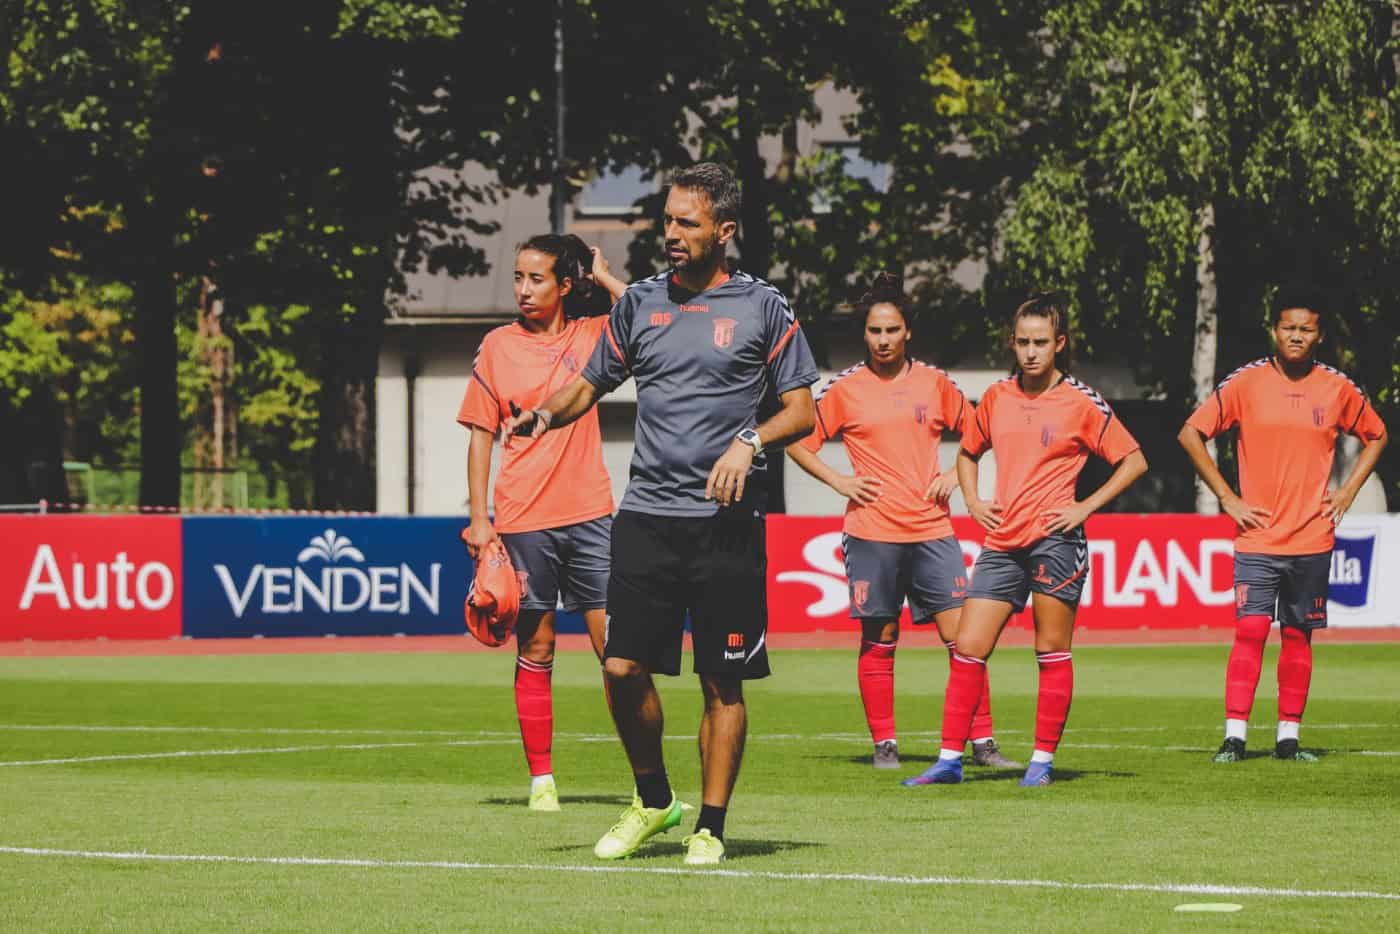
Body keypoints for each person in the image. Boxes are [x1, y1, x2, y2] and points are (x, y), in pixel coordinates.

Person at [504, 162, 818, 865]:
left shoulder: (763, 307)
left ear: (724, 230)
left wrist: (749, 441)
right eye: (667, 220)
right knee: (620, 667)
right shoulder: (640, 303)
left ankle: (711, 826)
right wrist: (543, 415)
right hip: (645, 517)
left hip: (726, 524)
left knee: (721, 680)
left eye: (687, 223)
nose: (671, 233)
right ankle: (654, 799)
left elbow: (801, 411)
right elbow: (589, 384)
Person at [903, 292, 1148, 788]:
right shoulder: (997, 397)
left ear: (1059, 344)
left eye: (1040, 342)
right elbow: (968, 452)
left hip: (1055, 541)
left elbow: (1134, 460)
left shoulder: (1081, 401)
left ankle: (1041, 763)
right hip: (1002, 541)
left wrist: (1083, 507)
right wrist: (974, 502)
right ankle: (949, 761)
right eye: (1022, 342)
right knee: (968, 646)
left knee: (1050, 649)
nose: (1031, 352)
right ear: (1012, 344)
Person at [786, 272, 1017, 771]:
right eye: (875, 331)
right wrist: (839, 481)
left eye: (892, 330)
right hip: (871, 533)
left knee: (965, 640)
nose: (883, 339)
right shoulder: (845, 389)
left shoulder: (935, 383)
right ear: (864, 334)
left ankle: (983, 742)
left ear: (907, 331)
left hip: (933, 531)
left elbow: (984, 432)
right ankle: (885, 744)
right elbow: (797, 443)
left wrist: (955, 477)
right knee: (881, 639)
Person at [457, 234, 628, 812]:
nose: (524, 289)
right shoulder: (496, 346)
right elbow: (481, 435)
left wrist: (606, 278)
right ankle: (542, 780)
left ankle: (644, 778)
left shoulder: (591, 334)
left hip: (591, 513)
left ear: (565, 285)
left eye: (537, 279)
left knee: (618, 653)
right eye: (518, 278)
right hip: (524, 516)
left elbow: (650, 319)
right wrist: (480, 519)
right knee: (538, 644)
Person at [1178, 292, 1388, 762]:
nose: (1296, 336)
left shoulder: (1336, 387)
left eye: (1306, 329)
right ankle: (1234, 737)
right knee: (1251, 630)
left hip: (1312, 535)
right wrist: (1226, 497)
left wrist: (1348, 491)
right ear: (1274, 330)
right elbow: (1190, 433)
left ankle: (1287, 741)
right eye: (1288, 327)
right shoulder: (1246, 383)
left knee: (1297, 635)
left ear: (1320, 335)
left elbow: (1377, 434)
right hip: (1258, 536)